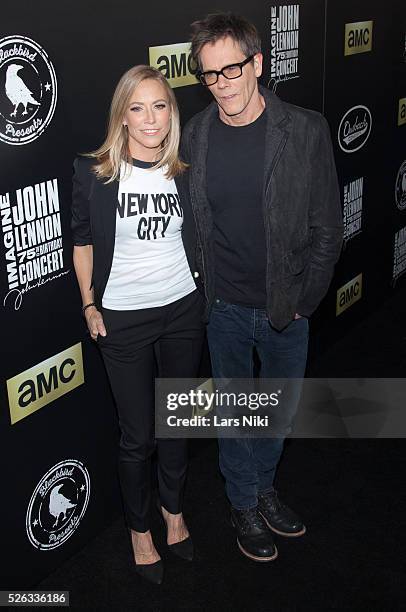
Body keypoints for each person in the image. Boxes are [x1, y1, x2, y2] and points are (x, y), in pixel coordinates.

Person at [181, 13, 343, 562]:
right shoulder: (196, 135)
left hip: (285, 306)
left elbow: (328, 226)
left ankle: (264, 490)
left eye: (232, 69)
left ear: (257, 64)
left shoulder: (305, 129)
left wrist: (305, 302)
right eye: (209, 74)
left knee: (277, 414)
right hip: (223, 305)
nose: (222, 83)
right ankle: (243, 503)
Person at [71, 65, 205, 584]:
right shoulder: (95, 172)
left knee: (176, 421)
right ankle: (139, 529)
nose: (150, 118)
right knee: (137, 436)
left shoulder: (185, 169)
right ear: (122, 116)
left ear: (172, 112)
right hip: (122, 319)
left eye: (160, 106)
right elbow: (81, 243)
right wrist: (89, 305)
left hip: (183, 311)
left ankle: (173, 511)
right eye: (138, 107)